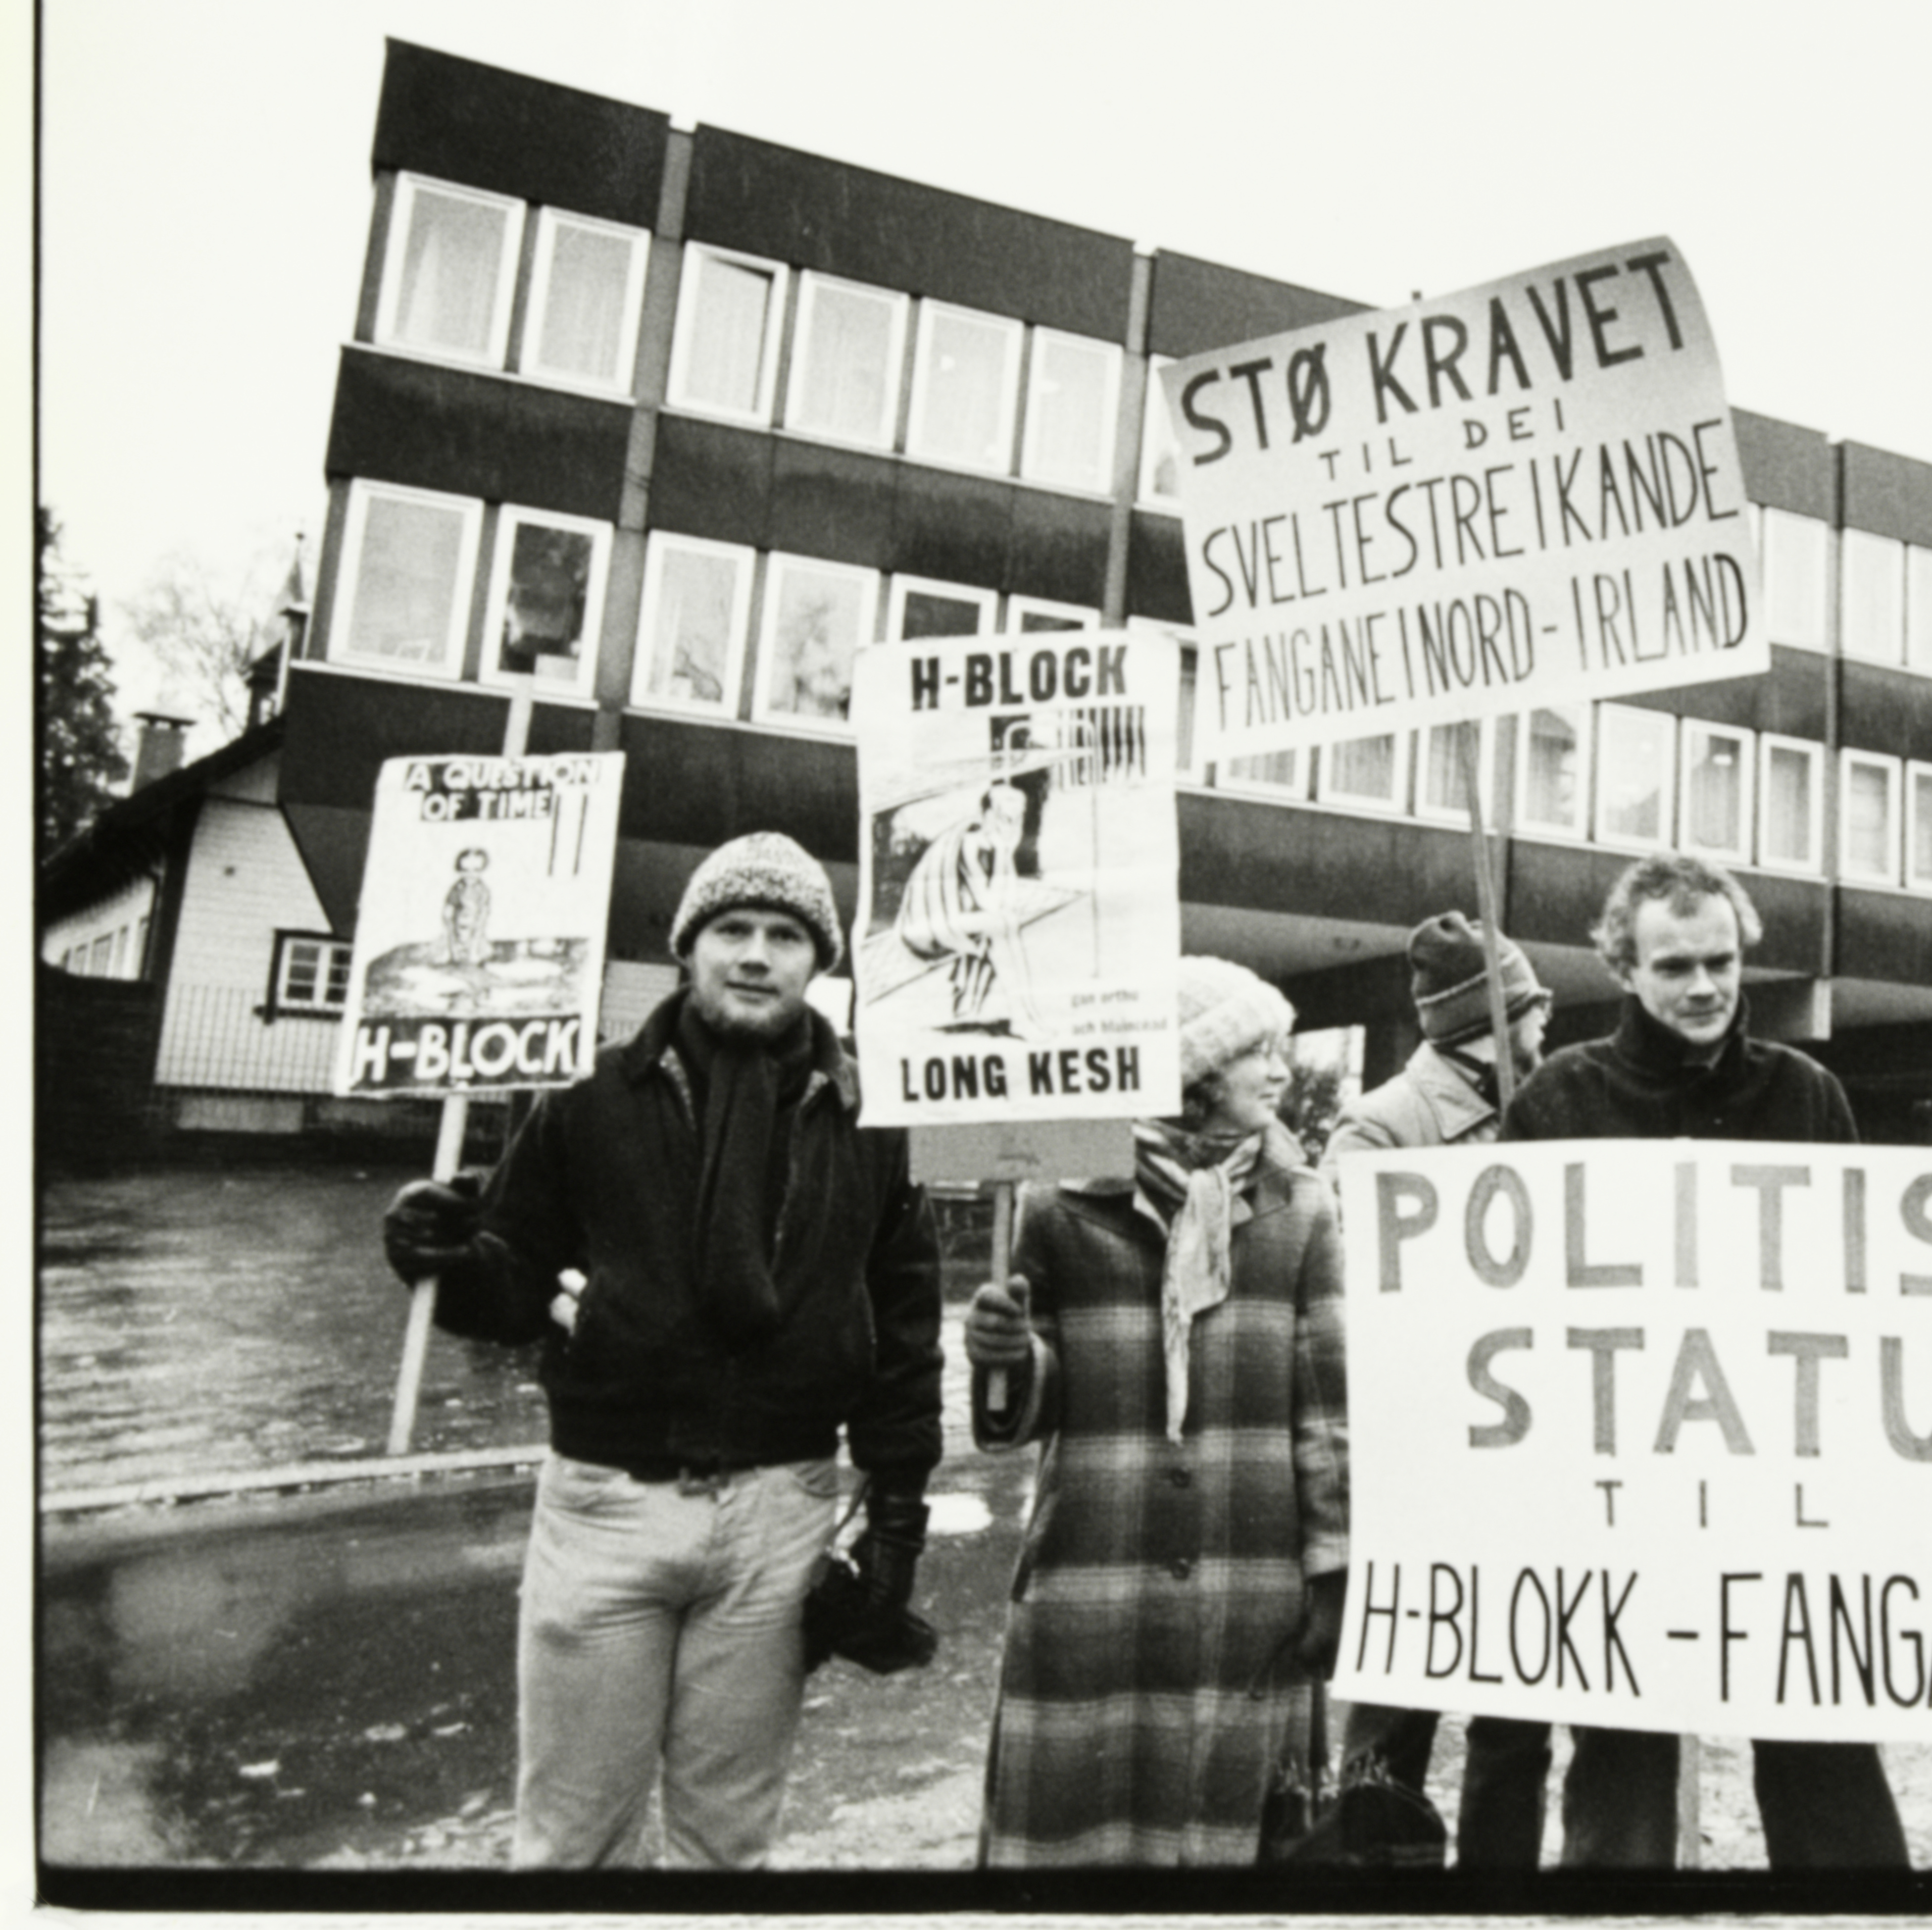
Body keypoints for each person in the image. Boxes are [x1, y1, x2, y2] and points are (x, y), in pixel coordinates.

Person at [378, 830, 944, 1869]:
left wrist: (898, 1518)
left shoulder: (873, 1114)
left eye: (785, 934)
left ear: (820, 960)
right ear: (688, 945)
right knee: (570, 1842)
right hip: (605, 1504)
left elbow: (904, 1327)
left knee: (727, 1842)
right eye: (731, 927)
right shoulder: (586, 1093)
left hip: (782, 1512)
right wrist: (441, 1253)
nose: (755, 953)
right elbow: (509, 1284)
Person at [1488, 853, 1911, 1870]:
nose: (1703, 986)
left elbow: (1865, 1292)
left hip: (1781, 1493)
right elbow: (1497, 1305)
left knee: (1824, 1757)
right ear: (1623, 968)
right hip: (1614, 1501)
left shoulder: (1806, 1092)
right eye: (1673, 965)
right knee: (1620, 1771)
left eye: (1719, 960)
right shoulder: (1554, 1099)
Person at [963, 956, 1350, 1866]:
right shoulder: (1059, 1201)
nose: (1282, 1070)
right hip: (1096, 1581)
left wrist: (1335, 1573)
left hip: (1248, 1588)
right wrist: (1007, 1360)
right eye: (1259, 1049)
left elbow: (1327, 1416)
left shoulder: (1302, 1208)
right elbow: (1027, 1410)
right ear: (1197, 1069)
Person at [1319, 912, 1556, 1865]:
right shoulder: (1379, 1128)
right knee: (1391, 1718)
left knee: (1517, 1722)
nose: (1548, 1032)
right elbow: (1346, 1300)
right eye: (1535, 1012)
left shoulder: (1553, 1109)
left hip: (1532, 1466)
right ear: (1494, 1023)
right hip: (1419, 1468)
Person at [897, 763, 1055, 1025]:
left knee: (1005, 923)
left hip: (958, 922)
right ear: (988, 815)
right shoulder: (969, 844)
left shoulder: (997, 845)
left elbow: (1008, 901)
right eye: (1006, 818)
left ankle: (1019, 1012)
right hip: (925, 930)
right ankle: (1022, 1016)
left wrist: (1005, 852)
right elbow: (991, 903)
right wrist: (1005, 853)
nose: (1013, 825)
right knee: (1000, 924)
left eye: (1018, 818)